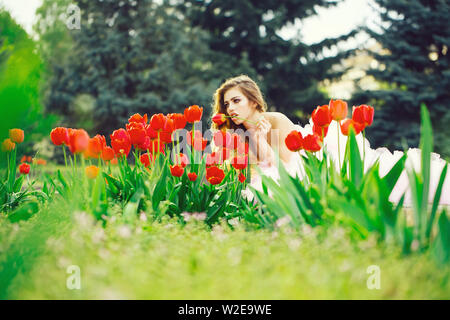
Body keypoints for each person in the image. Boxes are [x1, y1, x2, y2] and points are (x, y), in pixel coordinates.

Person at [210, 74, 450, 206]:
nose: (230, 108)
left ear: (253, 101)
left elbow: (286, 167)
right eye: (227, 103)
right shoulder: (233, 133)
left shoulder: (275, 120)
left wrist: (260, 140)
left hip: (307, 167)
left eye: (236, 101)